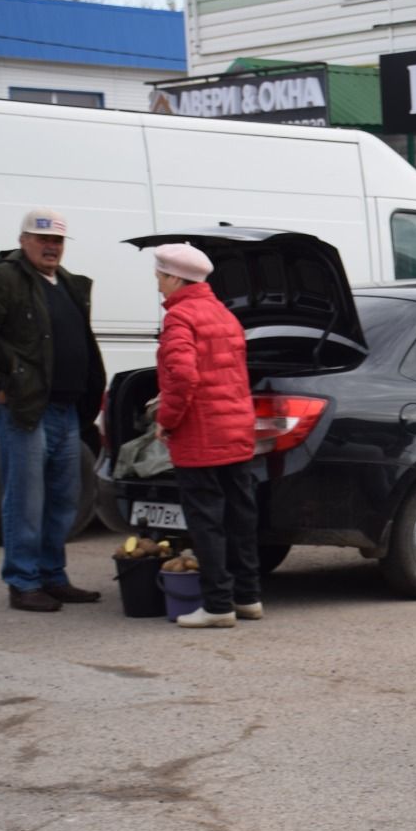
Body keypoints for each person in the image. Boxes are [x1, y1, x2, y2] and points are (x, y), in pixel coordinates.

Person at [0, 208, 105, 612]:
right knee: (26, 499)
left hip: (67, 410)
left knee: (64, 499)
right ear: (23, 241)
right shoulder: (2, 278)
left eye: (57, 240)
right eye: (43, 239)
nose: (51, 247)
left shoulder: (69, 284)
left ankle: (53, 577)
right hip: (25, 408)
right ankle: (23, 582)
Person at [150, 243, 263, 629]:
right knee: (239, 518)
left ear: (175, 278)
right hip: (236, 430)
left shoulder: (180, 318)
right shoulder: (225, 315)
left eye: (160, 275)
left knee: (206, 521)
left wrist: (167, 419)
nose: (157, 282)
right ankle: (248, 597)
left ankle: (217, 606)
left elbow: (183, 377)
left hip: (201, 435)